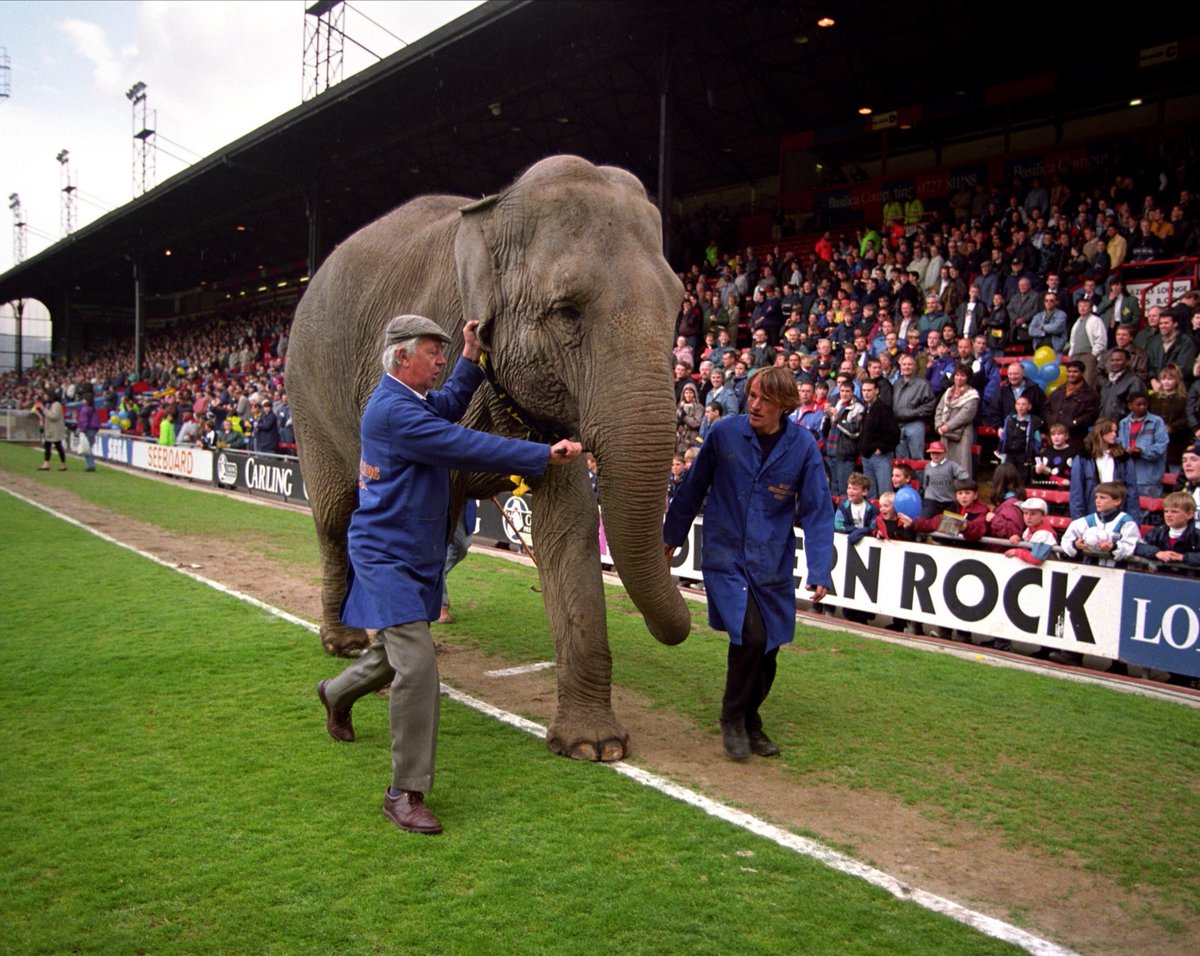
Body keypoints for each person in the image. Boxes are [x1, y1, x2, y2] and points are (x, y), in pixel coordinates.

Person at [316, 315, 581, 836]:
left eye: (442, 353)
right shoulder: (395, 413)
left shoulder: (409, 402)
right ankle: (403, 792)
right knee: (417, 665)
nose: (440, 362)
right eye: (433, 353)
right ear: (401, 358)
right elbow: (463, 444)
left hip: (412, 552)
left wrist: (468, 356)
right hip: (386, 555)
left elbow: (450, 405)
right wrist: (540, 456)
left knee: (390, 656)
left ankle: (336, 693)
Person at [663, 366, 834, 762]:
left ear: (784, 405)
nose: (754, 405)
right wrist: (671, 535)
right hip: (726, 557)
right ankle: (732, 717)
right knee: (751, 637)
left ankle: (751, 720)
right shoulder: (724, 434)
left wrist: (820, 569)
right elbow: (692, 488)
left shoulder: (803, 446)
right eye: (751, 395)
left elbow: (818, 511)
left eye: (764, 399)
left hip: (771, 561)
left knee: (770, 646)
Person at [1069, 419, 1139, 519]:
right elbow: (1077, 492)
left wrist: (1133, 521)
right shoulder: (1083, 458)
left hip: (1118, 512)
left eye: (1115, 431)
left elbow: (1132, 491)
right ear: (1100, 432)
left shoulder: (1123, 458)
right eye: (1110, 431)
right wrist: (1078, 522)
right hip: (1091, 513)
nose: (1114, 434)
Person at [1061, 481, 1140, 562]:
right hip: (1090, 570)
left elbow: (1131, 547)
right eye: (1096, 497)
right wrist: (1075, 545)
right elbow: (1066, 541)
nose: (1097, 501)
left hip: (1117, 570)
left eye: (1102, 497)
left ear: (1117, 501)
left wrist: (1113, 547)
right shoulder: (1087, 521)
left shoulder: (1126, 522)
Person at [933, 364, 979, 477]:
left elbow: (965, 415)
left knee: (961, 464)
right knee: (945, 464)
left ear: (968, 377)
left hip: (962, 434)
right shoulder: (948, 391)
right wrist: (938, 425)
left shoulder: (972, 395)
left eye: (962, 376)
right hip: (944, 433)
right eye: (957, 375)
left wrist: (948, 426)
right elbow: (939, 409)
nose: (959, 378)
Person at [1133, 492, 1200, 567]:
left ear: (1189, 515)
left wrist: (1184, 557)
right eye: (1166, 511)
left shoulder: (1197, 536)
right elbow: (1137, 546)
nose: (1168, 515)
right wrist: (1156, 553)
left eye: (1174, 511)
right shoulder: (1157, 533)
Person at [1003, 497, 1059, 566]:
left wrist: (1017, 552)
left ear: (1043, 516)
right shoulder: (1029, 529)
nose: (1028, 517)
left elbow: (1036, 558)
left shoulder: (1045, 533)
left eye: (1033, 514)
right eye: (1026, 513)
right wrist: (1018, 539)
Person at [34, 389, 67, 471]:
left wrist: (43, 409)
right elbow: (46, 414)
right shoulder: (49, 404)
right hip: (49, 429)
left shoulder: (56, 405)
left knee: (58, 446)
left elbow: (53, 416)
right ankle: (46, 463)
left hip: (55, 429)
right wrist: (41, 409)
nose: (44, 397)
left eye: (46, 395)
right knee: (47, 446)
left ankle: (63, 464)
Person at [675, 383, 703, 454]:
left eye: (690, 393)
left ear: (694, 394)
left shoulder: (698, 407)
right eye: (686, 393)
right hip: (680, 439)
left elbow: (696, 423)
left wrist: (684, 417)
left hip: (693, 438)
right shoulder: (679, 406)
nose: (688, 395)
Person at [77, 394, 100, 472]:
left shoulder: (85, 409)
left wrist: (82, 430)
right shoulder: (93, 409)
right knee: (88, 448)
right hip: (93, 430)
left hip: (87, 430)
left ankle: (90, 465)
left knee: (87, 449)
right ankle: (90, 465)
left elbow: (83, 421)